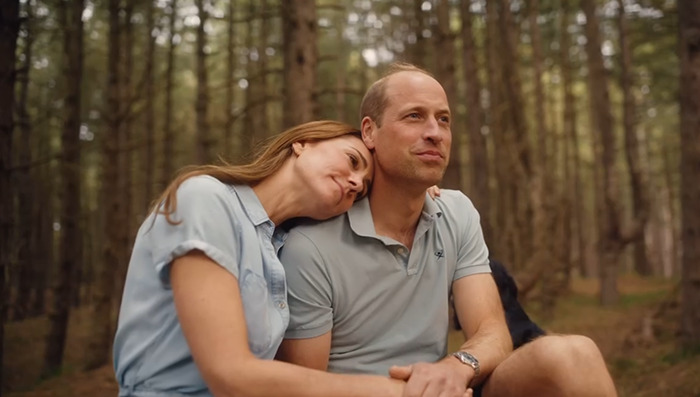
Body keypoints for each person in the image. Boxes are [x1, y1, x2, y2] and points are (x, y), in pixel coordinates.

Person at [277, 64, 618, 397]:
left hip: (449, 387)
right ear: (369, 132)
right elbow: (304, 387)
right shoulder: (311, 244)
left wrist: (455, 368)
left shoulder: (456, 212)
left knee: (574, 355)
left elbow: (493, 331)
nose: (434, 133)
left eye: (443, 120)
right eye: (414, 116)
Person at [113, 120, 433, 397]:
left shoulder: (283, 251)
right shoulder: (205, 199)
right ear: (302, 143)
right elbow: (230, 376)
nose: (354, 183)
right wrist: (393, 391)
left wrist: (414, 193)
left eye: (362, 190)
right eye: (352, 161)